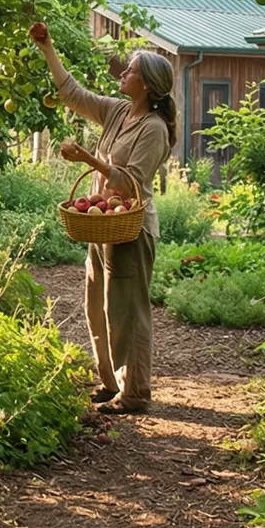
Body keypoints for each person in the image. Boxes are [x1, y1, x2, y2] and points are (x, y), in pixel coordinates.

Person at [31, 24, 176, 413]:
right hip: (102, 224)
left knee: (128, 312)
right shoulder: (118, 111)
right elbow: (73, 94)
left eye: (131, 70)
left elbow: (130, 183)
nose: (123, 73)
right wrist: (47, 47)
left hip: (131, 229)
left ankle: (135, 393)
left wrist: (88, 159)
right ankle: (110, 383)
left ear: (146, 84)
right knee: (97, 306)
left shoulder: (154, 129)